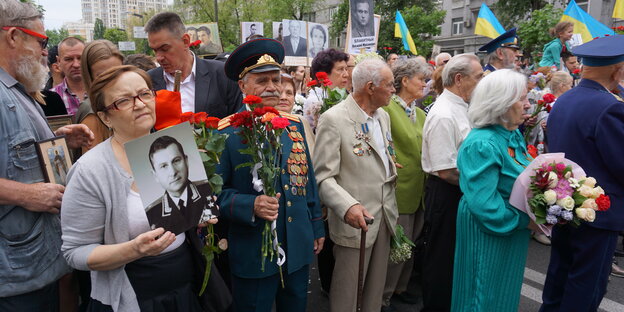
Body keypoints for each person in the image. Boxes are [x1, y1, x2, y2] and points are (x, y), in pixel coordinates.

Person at [61, 65, 230, 312]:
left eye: (144, 94)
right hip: (132, 294)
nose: (139, 104)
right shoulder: (91, 170)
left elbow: (178, 219)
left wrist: (195, 218)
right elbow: (74, 252)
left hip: (186, 287)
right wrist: (134, 249)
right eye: (123, 101)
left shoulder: (173, 145)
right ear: (105, 117)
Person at [216, 38, 324, 312]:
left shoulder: (293, 127)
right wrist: (249, 205)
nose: (273, 87)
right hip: (254, 253)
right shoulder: (226, 133)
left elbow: (307, 182)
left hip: (297, 245)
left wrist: (315, 226)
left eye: (276, 79)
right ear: (243, 86)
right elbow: (213, 193)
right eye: (262, 81)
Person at [0, 1, 94, 309]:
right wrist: (25, 194)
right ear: (13, 36)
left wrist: (60, 143)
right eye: (41, 41)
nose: (44, 51)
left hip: (33, 265)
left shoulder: (16, 90)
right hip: (15, 278)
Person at [540, 35, 624, 312]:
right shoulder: (610, 107)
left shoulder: (566, 100)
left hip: (565, 206)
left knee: (559, 276)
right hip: (598, 213)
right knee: (586, 286)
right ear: (617, 69)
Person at [314, 58, 398, 312]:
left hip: (383, 217)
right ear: (371, 87)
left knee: (374, 293)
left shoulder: (383, 116)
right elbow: (323, 177)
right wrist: (347, 205)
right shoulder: (333, 119)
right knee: (347, 296)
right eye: (390, 84)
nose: (394, 90)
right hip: (355, 221)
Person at [451, 69, 537, 311]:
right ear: (501, 103)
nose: (528, 105)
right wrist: (526, 221)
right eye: (522, 99)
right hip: (490, 231)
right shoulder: (482, 143)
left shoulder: (510, 135)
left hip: (510, 231)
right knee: (482, 295)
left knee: (502, 294)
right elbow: (485, 206)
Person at [420, 53, 483, 312]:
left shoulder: (462, 106)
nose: (482, 81)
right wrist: (480, 185)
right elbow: (445, 170)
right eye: (478, 77)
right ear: (459, 79)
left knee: (457, 259)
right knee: (442, 260)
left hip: (460, 190)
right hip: (446, 193)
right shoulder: (444, 113)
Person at [381, 57, 430, 310]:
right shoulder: (387, 109)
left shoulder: (420, 113)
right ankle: (384, 296)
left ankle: (400, 288)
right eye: (421, 79)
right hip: (399, 190)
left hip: (420, 189)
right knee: (396, 246)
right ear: (404, 81)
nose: (425, 84)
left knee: (411, 243)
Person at [145, 12, 242, 118]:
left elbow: (238, 123)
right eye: (155, 50)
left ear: (185, 41)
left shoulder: (222, 74)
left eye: (164, 49)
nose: (159, 58)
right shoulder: (147, 82)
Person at [146, 135, 216, 235]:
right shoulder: (152, 213)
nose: (173, 172)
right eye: (164, 166)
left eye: (176, 161)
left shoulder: (206, 190)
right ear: (155, 175)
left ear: (186, 161)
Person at [76, 39, 121, 155]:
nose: (111, 80)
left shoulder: (125, 101)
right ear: (89, 77)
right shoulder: (91, 112)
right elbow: (93, 168)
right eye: (102, 76)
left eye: (117, 72)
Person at [304, 48, 350, 131]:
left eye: (346, 69)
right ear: (324, 74)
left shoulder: (345, 96)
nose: (346, 74)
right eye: (340, 69)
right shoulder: (315, 101)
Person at [51, 37, 86, 117]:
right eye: (68, 59)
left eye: (80, 58)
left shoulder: (101, 92)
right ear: (59, 61)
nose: (76, 64)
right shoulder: (50, 98)